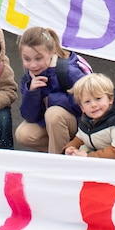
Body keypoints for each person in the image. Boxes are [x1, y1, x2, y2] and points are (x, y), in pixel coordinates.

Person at [14, 26, 89, 154]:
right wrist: (32, 92)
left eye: (38, 58)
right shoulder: (28, 77)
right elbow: (30, 117)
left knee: (53, 114)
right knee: (23, 134)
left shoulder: (69, 71)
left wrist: (53, 100)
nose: (32, 65)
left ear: (52, 52)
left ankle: (57, 162)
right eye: (27, 59)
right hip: (54, 124)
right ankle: (67, 151)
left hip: (82, 124)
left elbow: (87, 103)